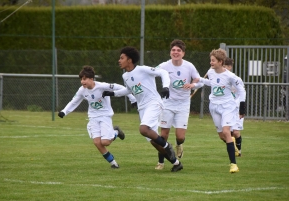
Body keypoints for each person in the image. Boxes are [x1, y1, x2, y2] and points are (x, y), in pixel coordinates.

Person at [102, 46, 183, 172]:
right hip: (142, 108)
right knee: (154, 142)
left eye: (122, 58)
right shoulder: (125, 76)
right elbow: (129, 90)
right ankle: (176, 163)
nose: (119, 60)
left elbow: (163, 72)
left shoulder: (143, 69)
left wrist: (166, 87)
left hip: (154, 103)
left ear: (130, 60)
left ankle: (167, 145)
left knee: (143, 129)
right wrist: (112, 94)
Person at [58, 65, 137, 169]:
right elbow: (74, 101)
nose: (82, 81)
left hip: (105, 116)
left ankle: (116, 132)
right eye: (81, 79)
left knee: (105, 142)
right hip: (93, 118)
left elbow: (121, 87)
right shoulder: (82, 90)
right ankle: (114, 163)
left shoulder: (102, 86)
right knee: (97, 142)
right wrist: (64, 111)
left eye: (85, 79)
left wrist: (132, 99)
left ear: (91, 78)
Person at [154, 39, 204, 170]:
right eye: (173, 50)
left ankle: (179, 144)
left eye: (178, 50)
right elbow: (151, 72)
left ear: (183, 53)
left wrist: (193, 84)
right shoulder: (164, 66)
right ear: (170, 52)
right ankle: (161, 162)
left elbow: (200, 81)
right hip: (167, 103)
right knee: (163, 135)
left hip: (183, 104)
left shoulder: (189, 66)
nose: (175, 52)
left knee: (180, 136)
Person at [196, 49, 246, 173]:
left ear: (220, 62)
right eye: (211, 60)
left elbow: (242, 90)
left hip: (228, 106)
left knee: (226, 131)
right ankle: (232, 143)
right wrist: (198, 81)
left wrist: (242, 107)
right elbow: (211, 83)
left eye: (213, 60)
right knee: (221, 135)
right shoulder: (210, 72)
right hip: (214, 106)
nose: (211, 62)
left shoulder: (230, 76)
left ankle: (233, 164)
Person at [224, 57, 244, 157]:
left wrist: (241, 108)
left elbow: (241, 93)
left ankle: (239, 150)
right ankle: (234, 150)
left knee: (236, 132)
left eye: (225, 67)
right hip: (227, 108)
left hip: (236, 109)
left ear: (230, 67)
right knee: (229, 132)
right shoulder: (222, 79)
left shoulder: (237, 80)